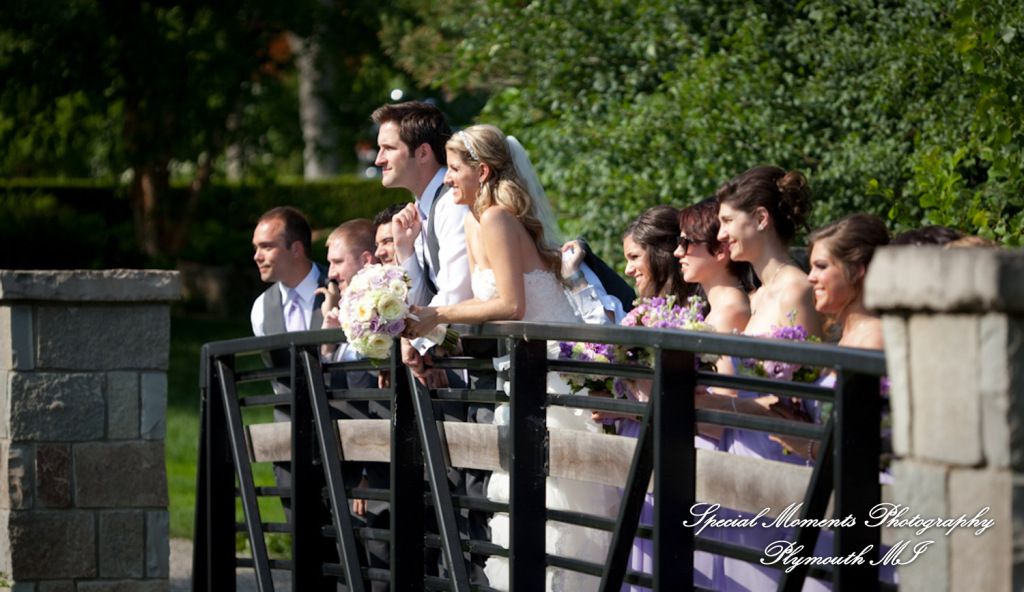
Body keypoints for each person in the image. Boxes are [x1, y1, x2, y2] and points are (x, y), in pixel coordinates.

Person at [404, 124, 620, 591]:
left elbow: (510, 306)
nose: (446, 179)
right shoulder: (472, 219)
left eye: (455, 170)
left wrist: (437, 314)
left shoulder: (498, 217)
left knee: (563, 504)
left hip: (557, 376)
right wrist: (427, 323)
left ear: (481, 171)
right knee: (522, 499)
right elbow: (474, 299)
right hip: (521, 375)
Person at [371, 101, 487, 584]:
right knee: (454, 508)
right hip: (451, 372)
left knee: (479, 506)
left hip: (482, 375)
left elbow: (457, 295)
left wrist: (415, 346)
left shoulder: (454, 205)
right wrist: (402, 252)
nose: (377, 159)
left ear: (422, 151)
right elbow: (424, 297)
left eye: (386, 148)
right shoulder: (421, 211)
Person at [316, 218, 392, 592]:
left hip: (375, 475)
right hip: (344, 470)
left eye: (336, 263)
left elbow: (374, 403)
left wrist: (363, 471)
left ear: (364, 260)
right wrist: (327, 341)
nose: (330, 273)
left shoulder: (380, 318)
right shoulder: (343, 315)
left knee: (379, 566)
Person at [622, 205, 695, 303]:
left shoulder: (699, 308)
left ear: (661, 254)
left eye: (634, 257)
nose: (628, 271)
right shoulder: (650, 312)